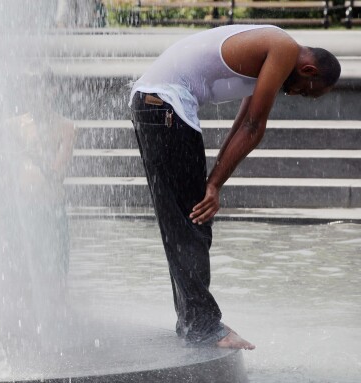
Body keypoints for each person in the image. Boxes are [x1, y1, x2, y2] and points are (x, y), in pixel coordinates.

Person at [129, 25, 340, 349]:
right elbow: (255, 126)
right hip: (165, 105)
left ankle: (192, 321)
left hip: (152, 103)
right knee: (193, 220)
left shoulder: (271, 47)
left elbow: (243, 123)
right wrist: (212, 185)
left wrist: (214, 181)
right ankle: (202, 326)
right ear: (308, 70)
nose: (295, 95)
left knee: (183, 221)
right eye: (306, 91)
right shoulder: (283, 49)